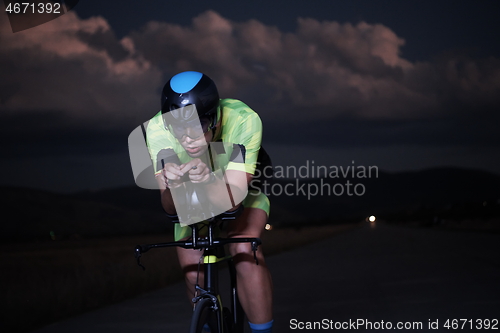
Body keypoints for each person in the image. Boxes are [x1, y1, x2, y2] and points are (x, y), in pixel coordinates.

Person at [145, 71, 274, 333]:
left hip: (240, 186)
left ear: (215, 118)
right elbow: (170, 208)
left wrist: (207, 181)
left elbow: (233, 201)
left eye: (198, 126)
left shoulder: (244, 119)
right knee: (192, 266)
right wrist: (174, 186)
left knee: (244, 251)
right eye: (178, 129)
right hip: (192, 193)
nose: (188, 138)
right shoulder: (157, 129)